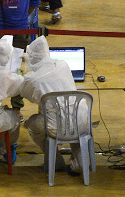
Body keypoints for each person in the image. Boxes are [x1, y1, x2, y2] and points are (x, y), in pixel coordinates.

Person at [20, 36, 89, 174]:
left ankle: (55, 162)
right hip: (82, 120)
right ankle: (79, 163)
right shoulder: (63, 65)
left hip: (56, 127)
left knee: (32, 122)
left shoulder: (34, 79)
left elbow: (25, 93)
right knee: (74, 128)